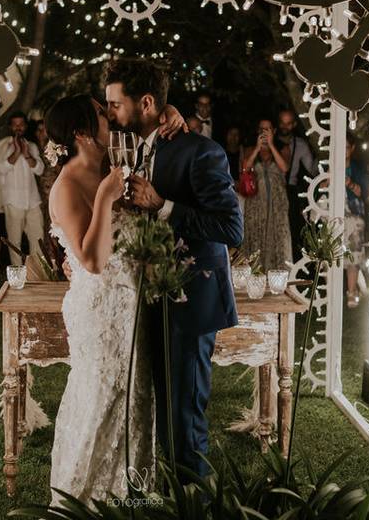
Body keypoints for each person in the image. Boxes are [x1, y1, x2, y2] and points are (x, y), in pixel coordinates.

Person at [45, 90, 190, 505]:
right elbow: (91, 260)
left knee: (135, 398)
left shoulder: (114, 167)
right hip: (99, 313)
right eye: (100, 115)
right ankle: (85, 501)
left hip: (132, 308)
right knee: (100, 399)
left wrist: (172, 114)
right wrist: (107, 198)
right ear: (81, 133)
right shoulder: (68, 186)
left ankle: (134, 496)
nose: (110, 119)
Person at [108, 58, 243, 483]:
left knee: (185, 415)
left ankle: (193, 500)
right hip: (156, 297)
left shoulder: (202, 150)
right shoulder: (148, 145)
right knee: (167, 410)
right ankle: (172, 494)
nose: (110, 112)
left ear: (145, 103)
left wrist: (162, 206)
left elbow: (230, 227)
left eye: (116, 104)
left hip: (191, 299)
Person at [0, 112, 45, 260]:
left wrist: (27, 154)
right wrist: (17, 152)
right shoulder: (2, 146)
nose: (18, 127)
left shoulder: (32, 146)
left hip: (33, 200)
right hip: (13, 201)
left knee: (38, 240)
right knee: (14, 242)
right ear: (10, 126)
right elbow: (0, 169)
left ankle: (39, 276)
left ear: (25, 126)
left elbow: (40, 169)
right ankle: (18, 278)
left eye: (21, 124)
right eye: (15, 124)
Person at [239, 119, 293, 271]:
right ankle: (256, 274)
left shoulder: (283, 149)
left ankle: (279, 277)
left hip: (277, 203)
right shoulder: (250, 149)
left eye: (268, 129)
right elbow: (245, 168)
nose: (264, 132)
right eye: (262, 129)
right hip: (256, 202)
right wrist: (257, 148)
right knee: (256, 236)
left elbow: (284, 168)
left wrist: (271, 145)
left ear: (273, 131)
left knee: (279, 238)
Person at [344, 132, 368, 307]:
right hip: (333, 214)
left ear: (352, 149)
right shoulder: (326, 165)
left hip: (354, 215)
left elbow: (363, 193)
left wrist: (349, 183)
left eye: (346, 147)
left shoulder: (357, 168)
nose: (343, 151)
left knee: (354, 254)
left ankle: (351, 292)